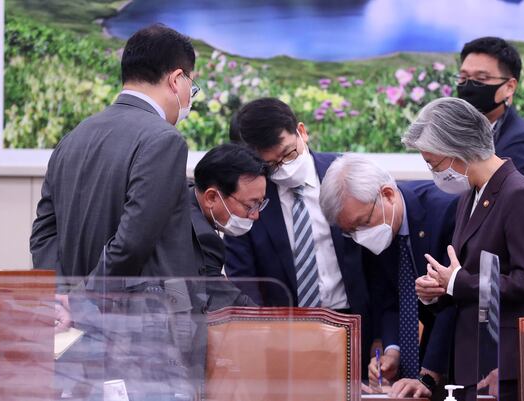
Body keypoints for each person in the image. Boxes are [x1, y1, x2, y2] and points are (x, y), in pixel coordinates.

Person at [30, 24, 205, 400]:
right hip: (142, 334)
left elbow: (44, 233)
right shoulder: (164, 139)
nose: (190, 95)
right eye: (192, 84)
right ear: (176, 79)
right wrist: (81, 301)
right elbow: (132, 240)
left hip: (80, 338)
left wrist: (63, 297)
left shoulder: (73, 138)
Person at [404, 97, 524, 401]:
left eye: (433, 163)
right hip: (469, 359)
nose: (433, 172)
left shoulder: (519, 193)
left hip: (504, 364)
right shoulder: (469, 196)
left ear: (457, 149)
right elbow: (466, 279)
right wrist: (438, 291)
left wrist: (457, 282)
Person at [224, 97, 373, 375]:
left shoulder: (345, 175)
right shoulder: (248, 198)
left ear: (301, 132)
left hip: (349, 322)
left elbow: (377, 262)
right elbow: (243, 278)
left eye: (288, 154)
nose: (283, 167)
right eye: (270, 165)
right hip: (281, 334)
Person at [319, 154, 458, 399]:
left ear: (388, 194)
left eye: (363, 222)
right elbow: (390, 297)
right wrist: (392, 351)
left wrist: (429, 374)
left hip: (456, 358)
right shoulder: (374, 229)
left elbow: (454, 301)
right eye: (351, 231)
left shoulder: (445, 210)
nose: (361, 235)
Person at [455, 36, 524, 278]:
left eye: (481, 79)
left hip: (514, 285)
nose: (469, 86)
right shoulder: (485, 136)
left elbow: (515, 219)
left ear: (509, 87)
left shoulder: (521, 143)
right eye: (463, 77)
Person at [190, 143, 270, 310]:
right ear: (211, 197)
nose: (255, 215)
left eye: (259, 204)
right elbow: (227, 302)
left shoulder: (184, 195)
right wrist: (269, 322)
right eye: (250, 205)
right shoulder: (202, 238)